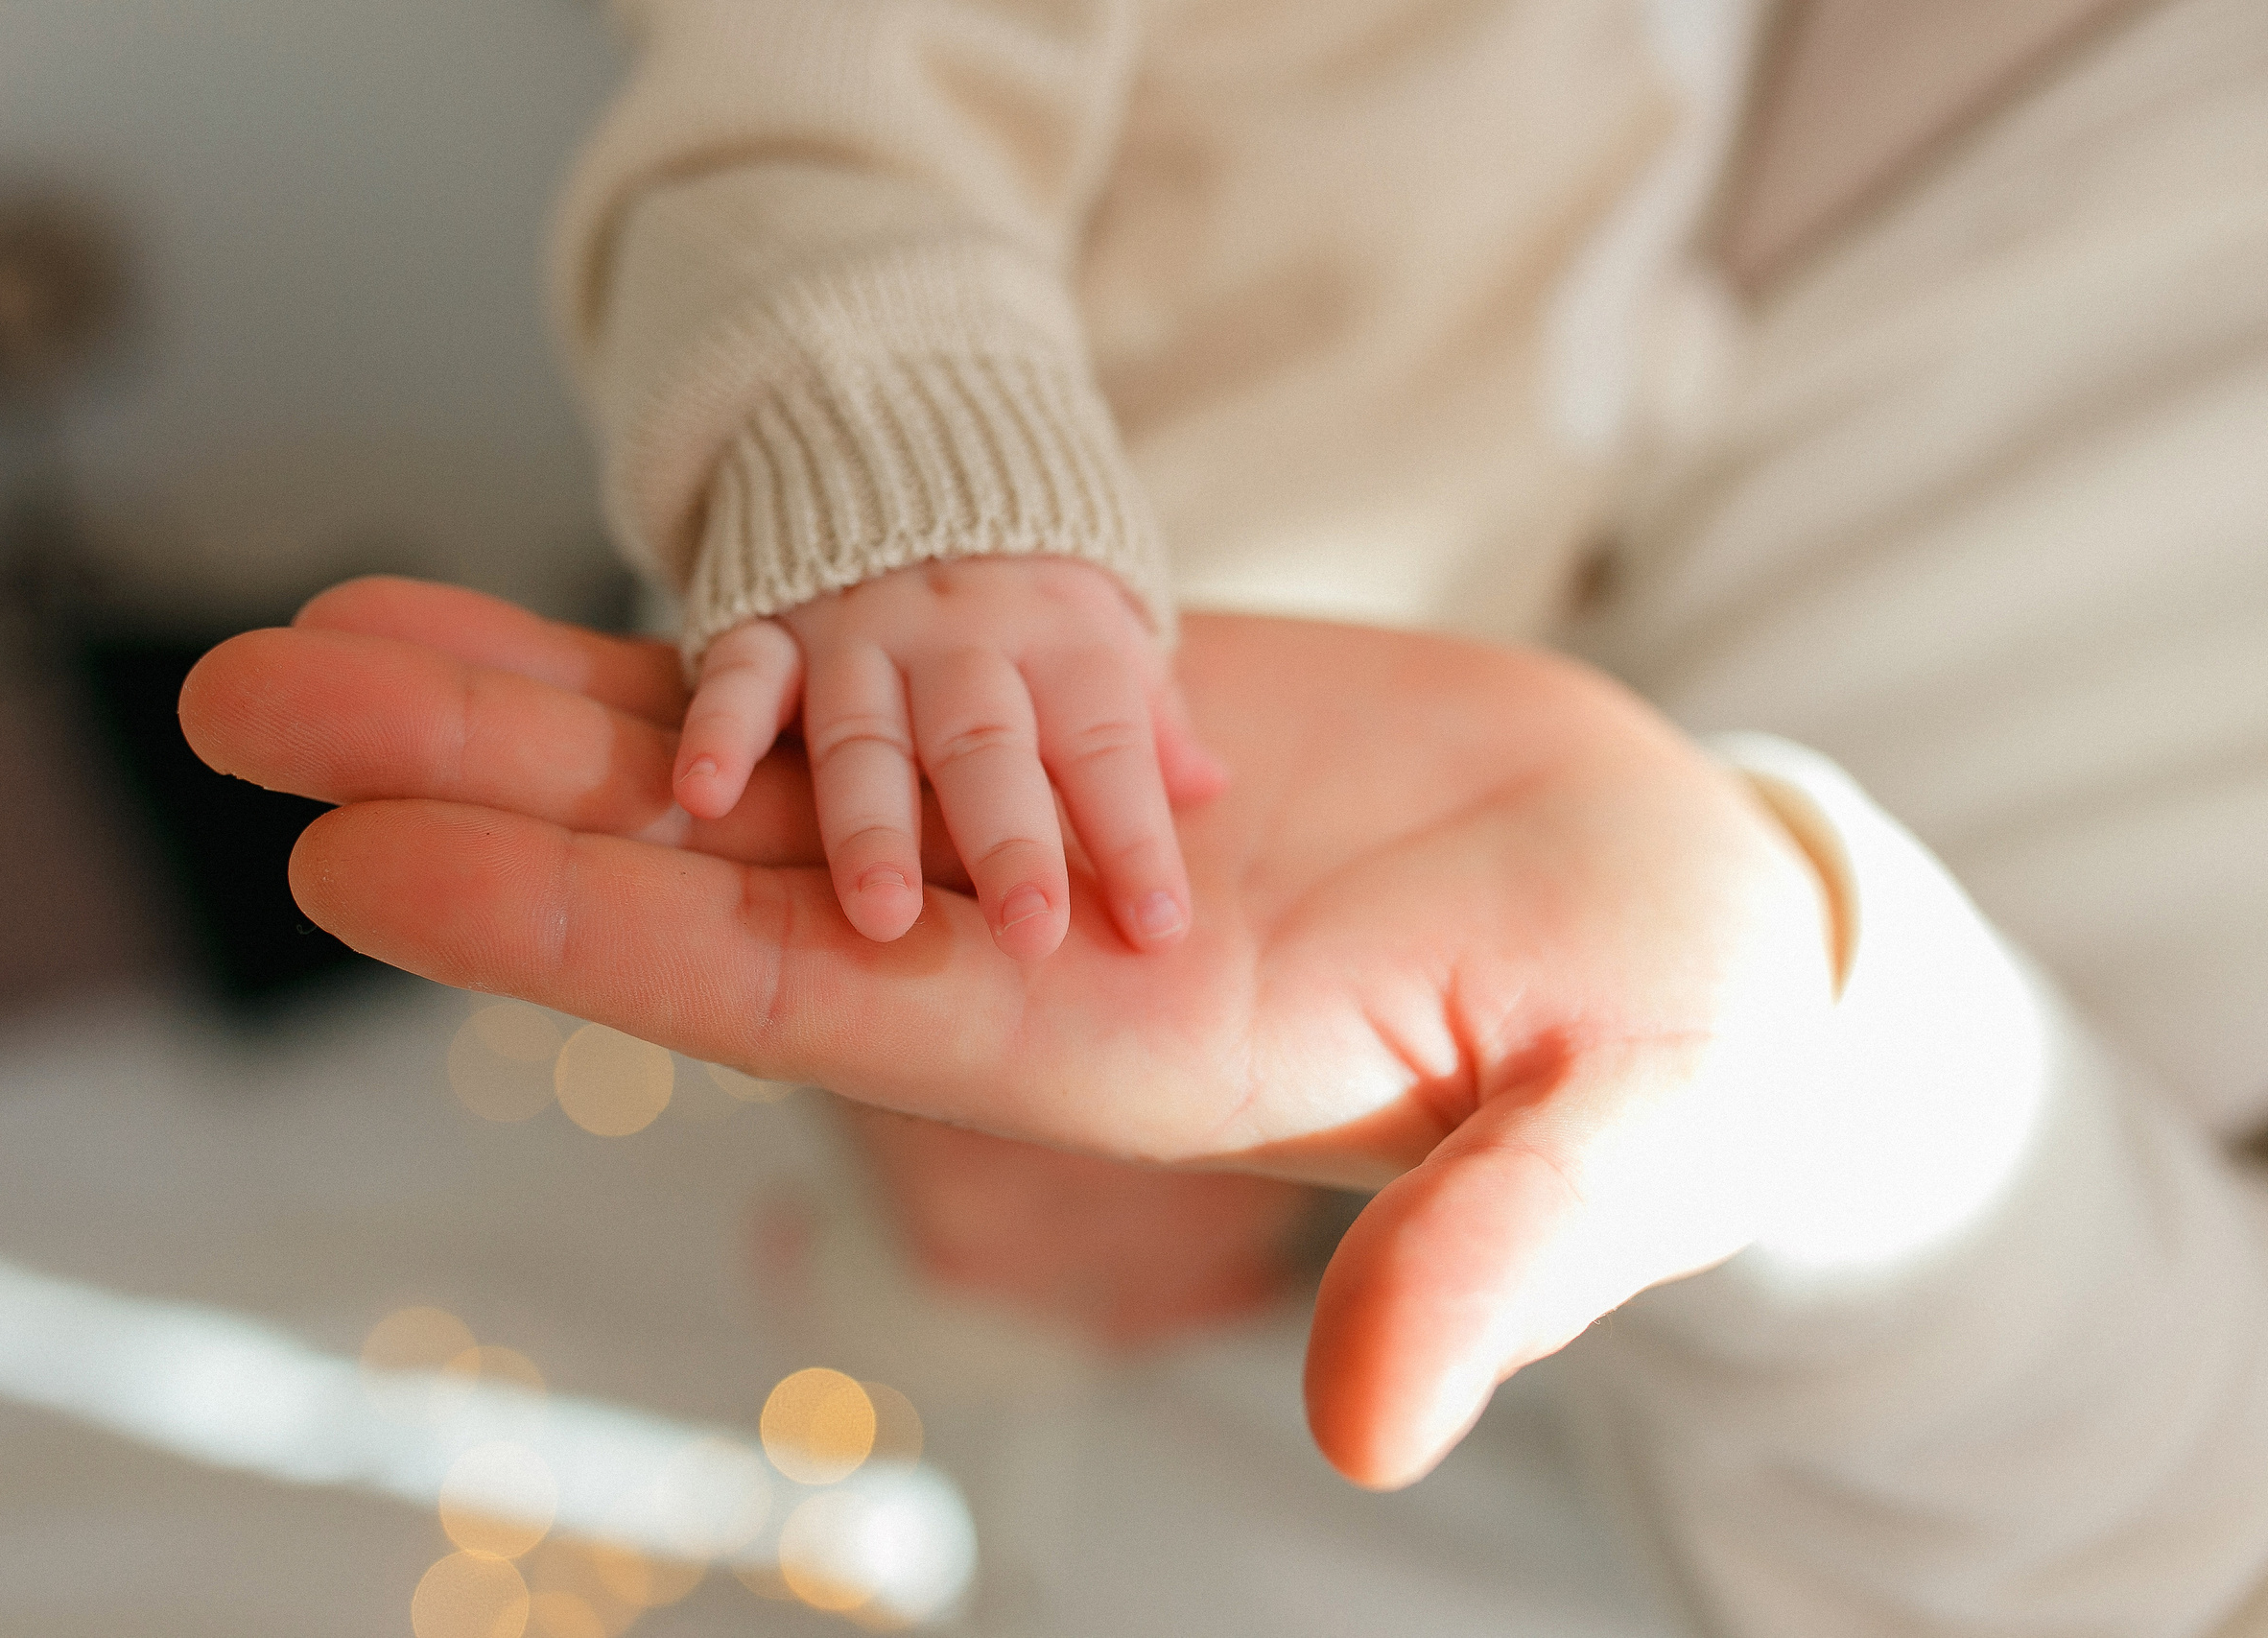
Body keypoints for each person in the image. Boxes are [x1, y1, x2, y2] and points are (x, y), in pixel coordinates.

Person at [180, 0, 2268, 1630]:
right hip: (975, 698)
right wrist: (910, 485)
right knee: (1005, 1305)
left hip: (1381, 911)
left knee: (1127, 1340)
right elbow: (792, 143)